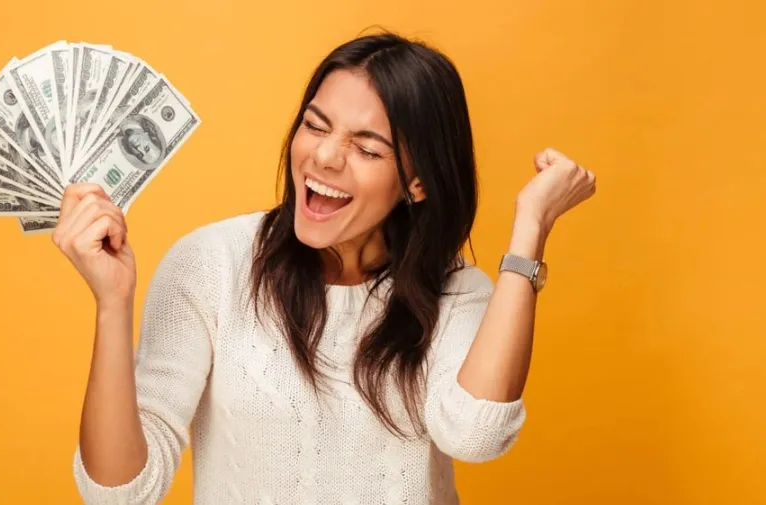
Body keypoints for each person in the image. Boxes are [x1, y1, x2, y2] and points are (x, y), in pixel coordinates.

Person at [52, 32, 596, 505]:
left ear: (418, 183)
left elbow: (477, 435)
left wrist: (531, 225)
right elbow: (118, 490)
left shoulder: (456, 294)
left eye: (367, 148)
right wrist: (112, 302)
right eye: (316, 125)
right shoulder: (211, 264)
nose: (325, 157)